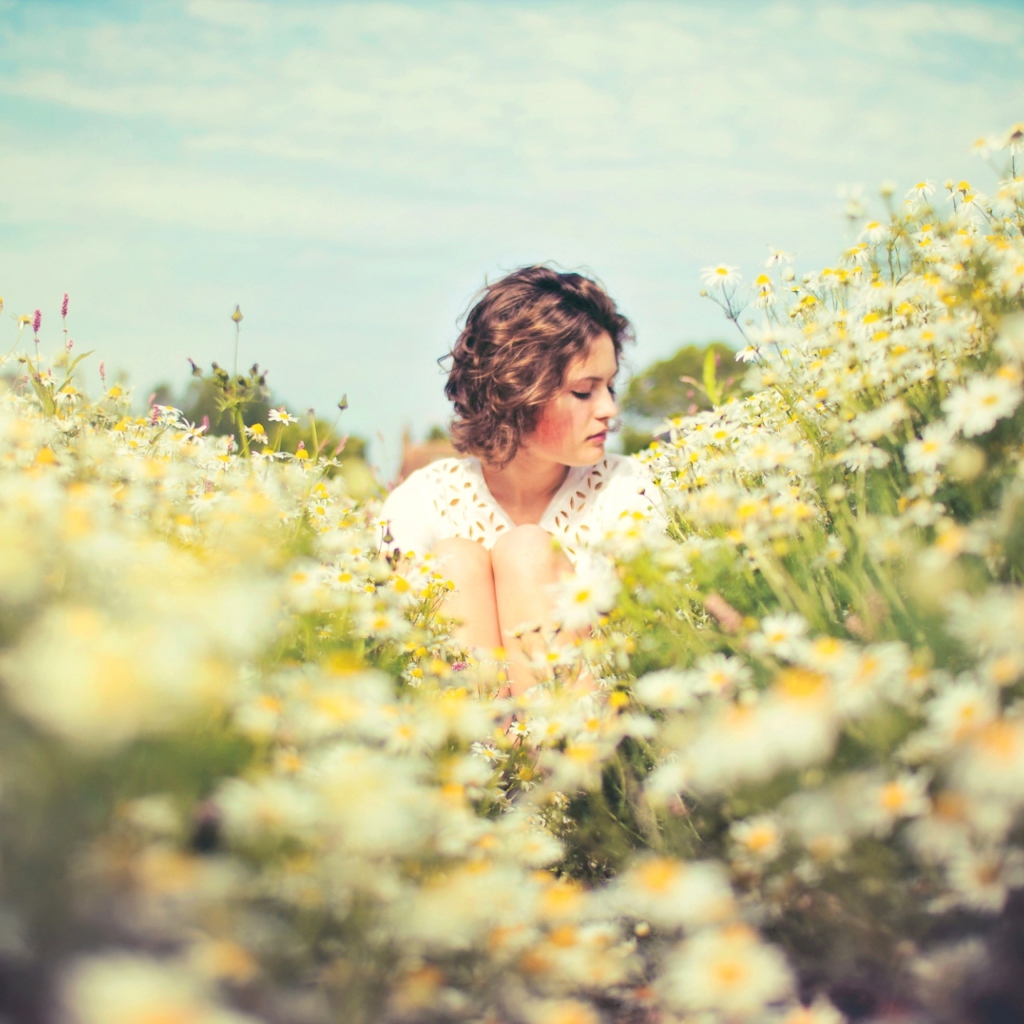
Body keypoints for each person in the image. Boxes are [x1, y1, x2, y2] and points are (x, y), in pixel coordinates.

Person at [380, 266, 662, 693]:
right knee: (454, 560)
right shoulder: (424, 499)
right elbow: (389, 638)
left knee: (528, 550)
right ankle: (500, 756)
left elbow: (642, 641)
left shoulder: (628, 488)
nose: (609, 409)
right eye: (584, 391)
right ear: (516, 391)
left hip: (592, 738)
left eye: (610, 387)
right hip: (461, 742)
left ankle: (541, 755)